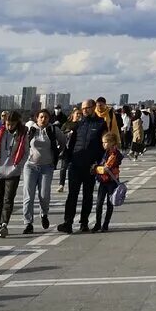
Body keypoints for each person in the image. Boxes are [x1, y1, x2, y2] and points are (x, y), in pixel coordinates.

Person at [58, 99, 106, 234]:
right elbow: (71, 144)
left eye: (87, 108)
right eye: (83, 108)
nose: (84, 110)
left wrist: (99, 163)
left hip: (90, 166)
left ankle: (84, 222)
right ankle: (68, 222)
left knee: (87, 195)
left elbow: (103, 147)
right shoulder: (78, 125)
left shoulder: (101, 124)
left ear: (93, 108)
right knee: (72, 195)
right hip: (75, 164)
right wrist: (67, 159)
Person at [0, 111, 29, 237]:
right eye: (7, 124)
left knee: (8, 199)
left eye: (12, 124)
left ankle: (5, 223)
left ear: (17, 123)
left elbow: (26, 153)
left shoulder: (22, 135)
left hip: (13, 171)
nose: (9, 126)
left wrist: (17, 167)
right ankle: (1, 224)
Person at [22, 110, 63, 234]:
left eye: (46, 117)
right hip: (30, 166)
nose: (43, 119)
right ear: (37, 118)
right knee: (28, 195)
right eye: (41, 117)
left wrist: (56, 154)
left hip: (47, 167)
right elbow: (22, 143)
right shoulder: (30, 129)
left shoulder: (53, 130)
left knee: (44, 195)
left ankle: (44, 214)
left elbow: (63, 142)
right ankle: (28, 222)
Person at [92, 131, 123, 233]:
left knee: (110, 203)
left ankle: (105, 224)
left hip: (111, 181)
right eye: (103, 142)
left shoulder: (115, 154)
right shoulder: (105, 152)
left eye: (105, 142)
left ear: (112, 142)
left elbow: (107, 168)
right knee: (99, 203)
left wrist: (95, 169)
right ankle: (97, 223)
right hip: (103, 181)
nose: (103, 144)